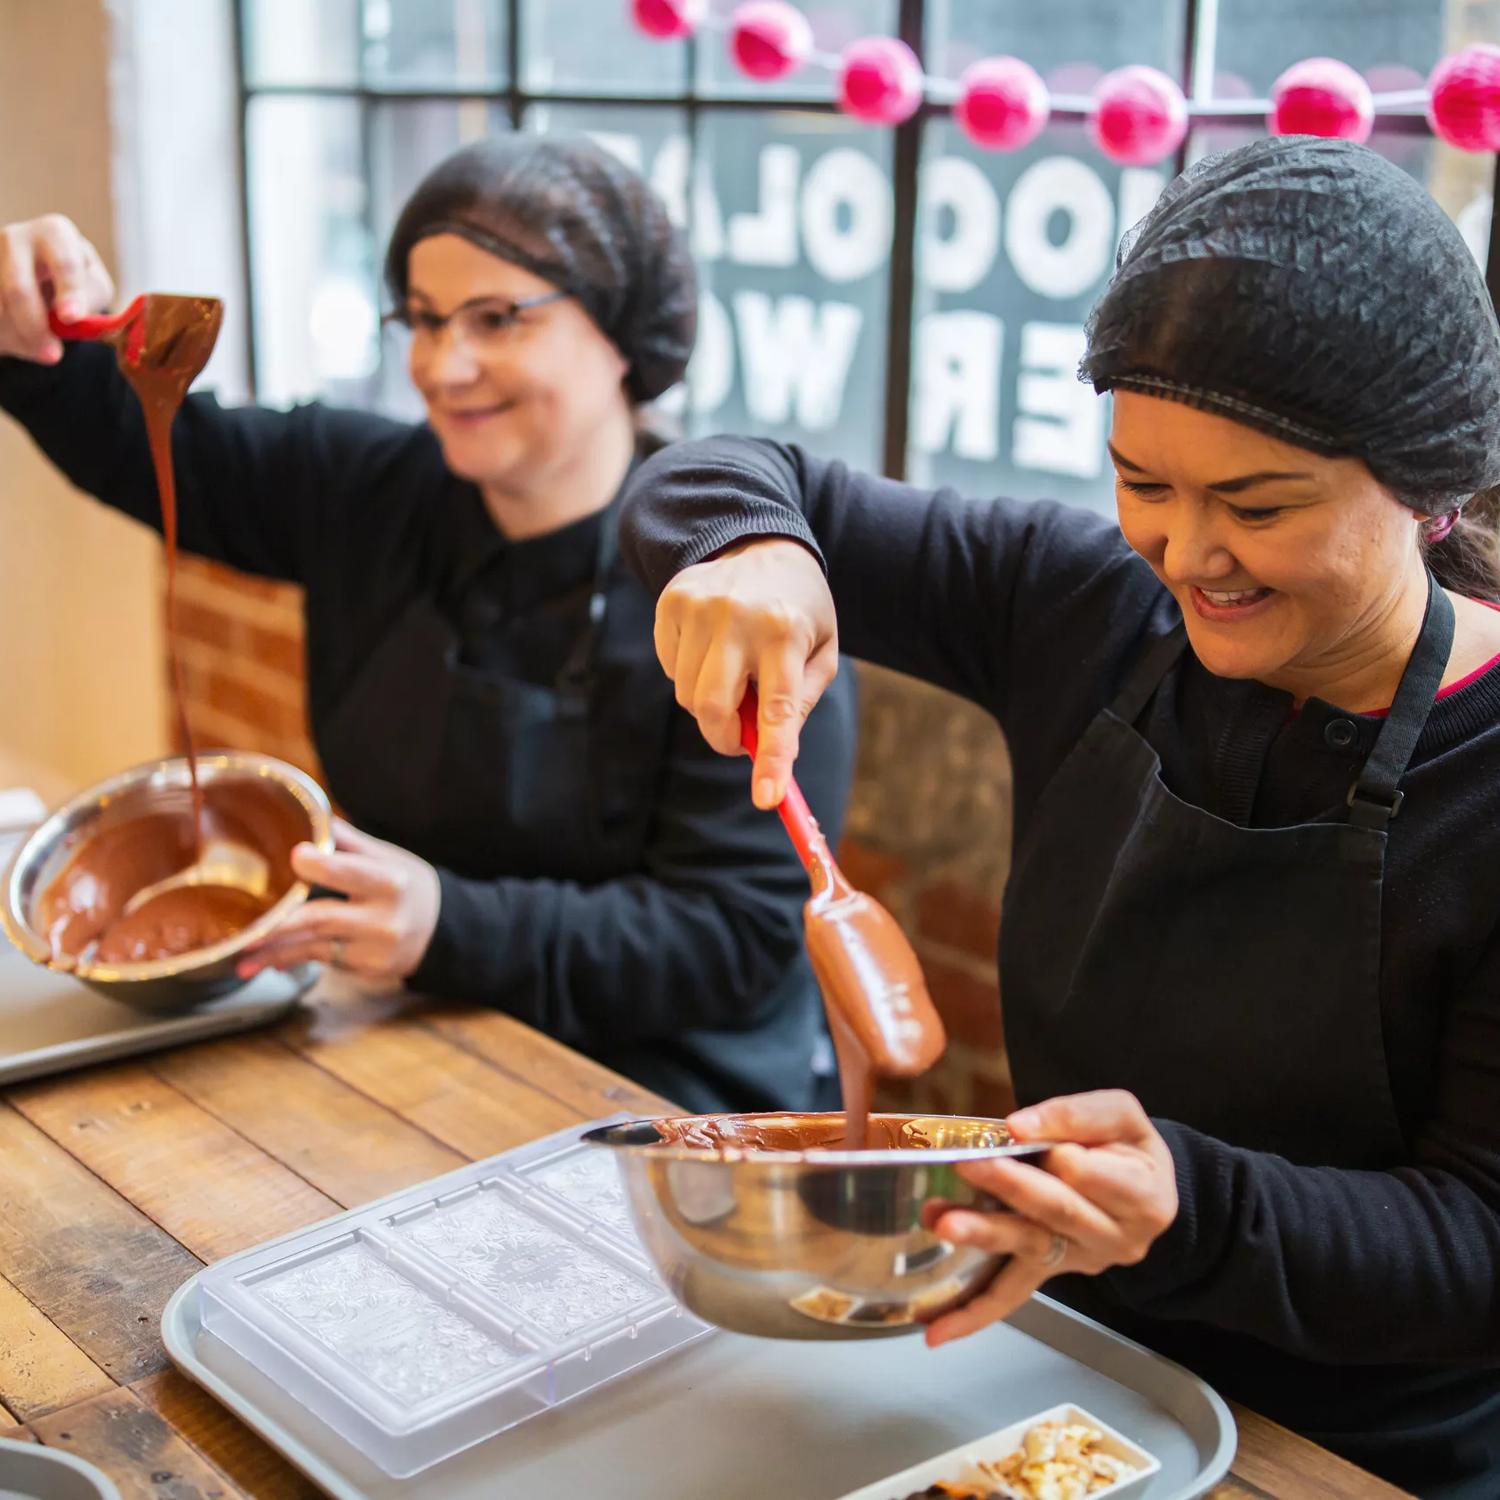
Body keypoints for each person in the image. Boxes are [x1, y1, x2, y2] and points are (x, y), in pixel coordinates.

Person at [620, 136, 1500, 1498]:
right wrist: (752, 545)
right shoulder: (1086, 605)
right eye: (1143, 483)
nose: (1189, 555)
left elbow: (1480, 1248)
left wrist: (1190, 1209)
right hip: (1059, 1386)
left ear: (1430, 484)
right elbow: (725, 468)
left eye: (1257, 505)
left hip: (1355, 1460)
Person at [0, 135, 857, 1114]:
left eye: (497, 319)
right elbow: (132, 441)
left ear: (623, 327)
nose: (444, 366)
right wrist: (26, 327)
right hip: (412, 1039)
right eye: (422, 318)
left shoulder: (737, 584)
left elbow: (733, 938)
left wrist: (450, 923)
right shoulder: (365, 489)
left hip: (662, 1099)